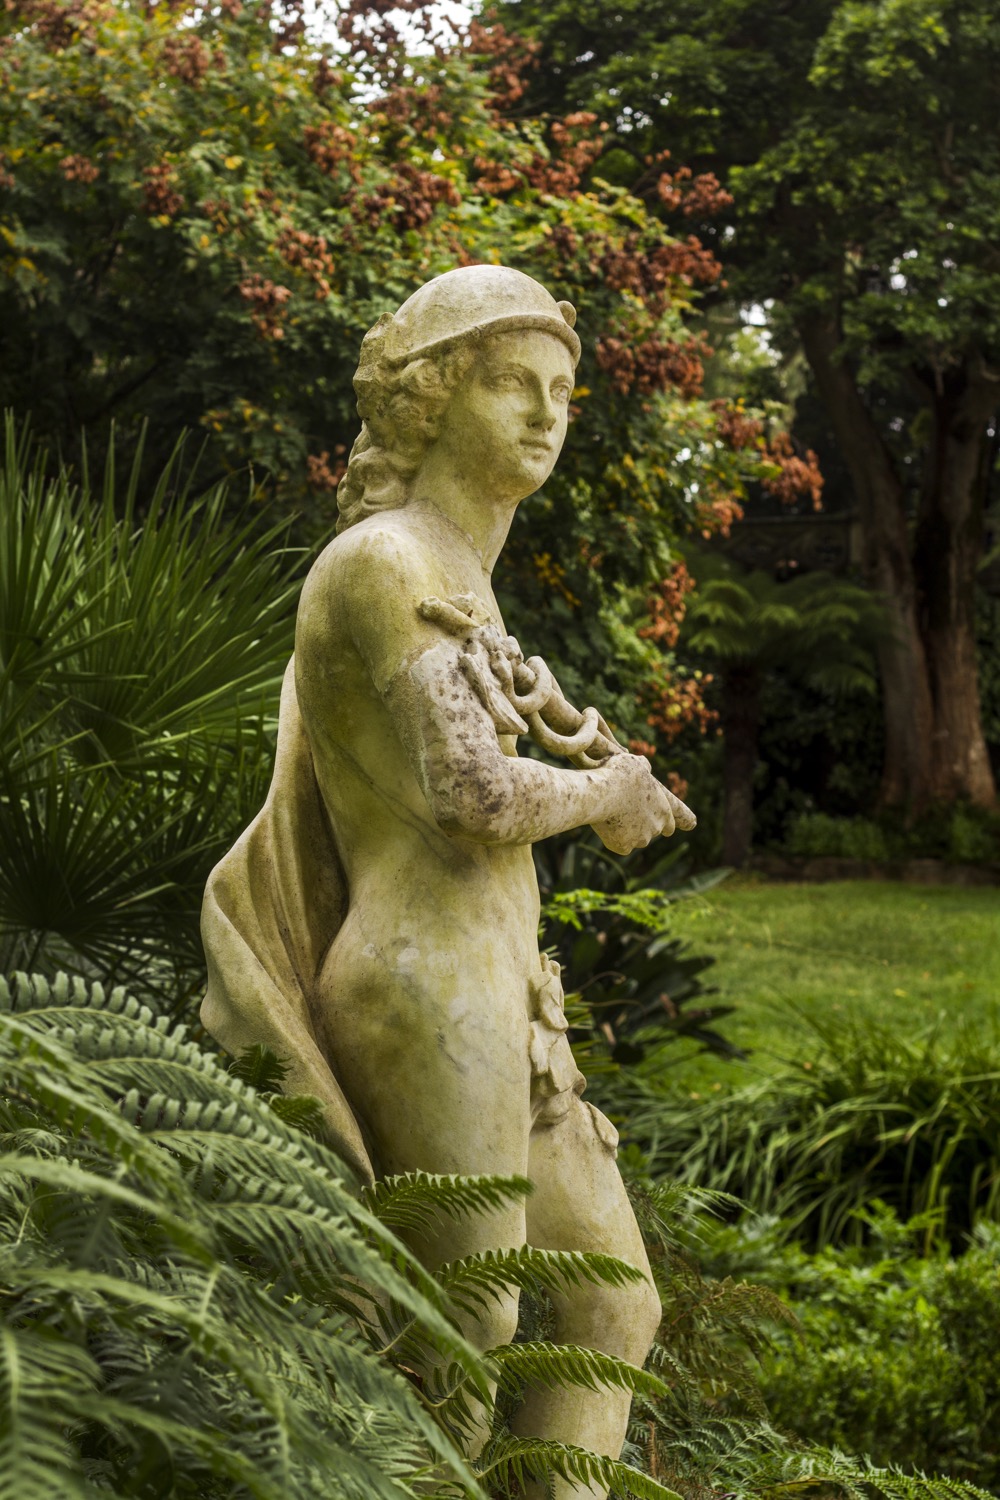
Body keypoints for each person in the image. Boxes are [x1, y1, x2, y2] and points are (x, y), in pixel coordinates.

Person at [201, 264, 696, 1498]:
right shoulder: (382, 561)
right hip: (425, 994)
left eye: (563, 392)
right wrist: (612, 791)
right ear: (428, 402)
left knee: (606, 1309)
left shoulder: (459, 572)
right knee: (452, 1350)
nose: (545, 414)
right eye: (510, 386)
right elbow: (469, 793)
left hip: (505, 1002)